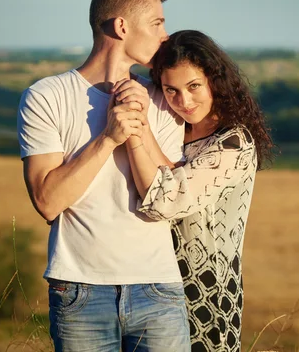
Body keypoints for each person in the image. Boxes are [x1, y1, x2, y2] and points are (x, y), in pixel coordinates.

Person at [16, 0, 191, 352]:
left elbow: (167, 193)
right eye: (157, 23)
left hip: (159, 288)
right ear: (121, 26)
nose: (165, 35)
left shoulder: (163, 98)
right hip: (79, 292)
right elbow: (47, 202)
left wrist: (140, 127)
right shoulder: (46, 97)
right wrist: (108, 138)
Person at [115, 30, 274, 352]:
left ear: (215, 80)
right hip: (149, 281)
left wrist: (135, 130)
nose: (184, 102)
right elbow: (172, 174)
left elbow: (165, 200)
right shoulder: (175, 127)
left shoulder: (234, 142)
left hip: (205, 289)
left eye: (194, 87)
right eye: (170, 90)